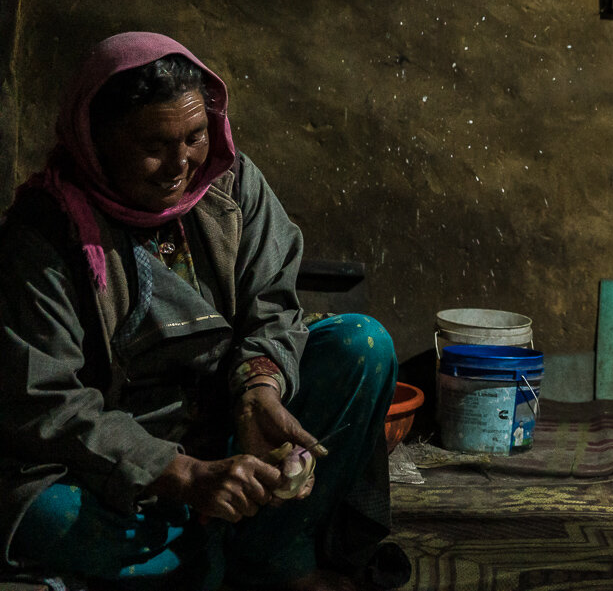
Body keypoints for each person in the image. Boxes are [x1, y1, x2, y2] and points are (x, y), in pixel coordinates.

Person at [0, 32, 406, 591]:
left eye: (194, 137)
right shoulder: (45, 233)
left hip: (231, 432)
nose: (180, 163)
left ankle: (246, 547)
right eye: (154, 145)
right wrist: (182, 474)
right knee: (45, 516)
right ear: (97, 142)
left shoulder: (231, 186)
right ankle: (225, 547)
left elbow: (273, 305)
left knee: (364, 345)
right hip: (121, 466)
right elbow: (48, 403)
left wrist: (257, 392)